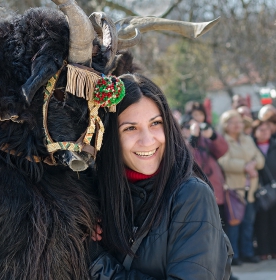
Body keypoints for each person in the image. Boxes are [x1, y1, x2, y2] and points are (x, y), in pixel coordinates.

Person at [90, 73, 232, 279]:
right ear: (109, 137)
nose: (148, 141)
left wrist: (95, 261)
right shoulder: (97, 195)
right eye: (130, 128)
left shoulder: (192, 196)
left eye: (155, 123)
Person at [218, 110, 264, 266]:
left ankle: (248, 253)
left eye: (239, 121)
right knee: (234, 224)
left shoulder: (247, 139)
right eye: (233, 122)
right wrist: (245, 166)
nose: (238, 125)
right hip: (233, 189)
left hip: (250, 189)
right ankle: (234, 255)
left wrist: (253, 165)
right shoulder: (223, 141)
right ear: (225, 125)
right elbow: (224, 162)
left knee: (248, 223)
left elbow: (259, 158)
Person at [181, 102, 229, 229]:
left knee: (221, 226)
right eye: (195, 114)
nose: (198, 118)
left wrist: (213, 136)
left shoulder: (207, 133)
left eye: (200, 114)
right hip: (196, 190)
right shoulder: (183, 136)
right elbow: (187, 159)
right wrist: (193, 137)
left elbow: (223, 150)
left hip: (215, 185)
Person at [252, 120, 276, 260]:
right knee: (261, 222)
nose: (265, 131)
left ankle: (274, 250)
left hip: (274, 189)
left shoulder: (274, 145)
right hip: (258, 190)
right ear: (255, 132)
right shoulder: (251, 146)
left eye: (267, 129)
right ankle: (263, 251)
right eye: (261, 129)